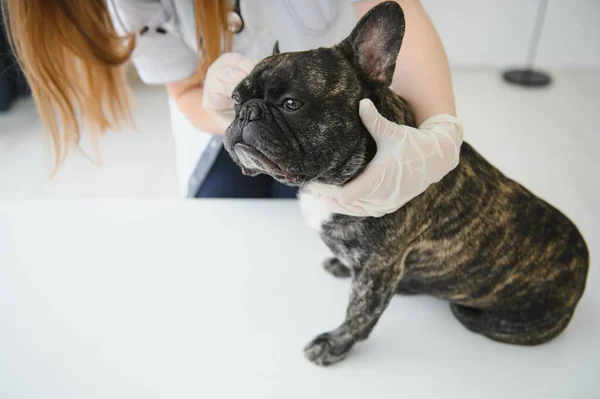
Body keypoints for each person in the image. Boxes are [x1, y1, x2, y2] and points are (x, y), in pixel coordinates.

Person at [2, 0, 462, 217]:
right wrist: (230, 115)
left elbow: (390, 8)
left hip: (339, 114)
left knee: (333, 218)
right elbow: (186, 92)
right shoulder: (127, 6)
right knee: (217, 218)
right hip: (223, 129)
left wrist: (439, 126)